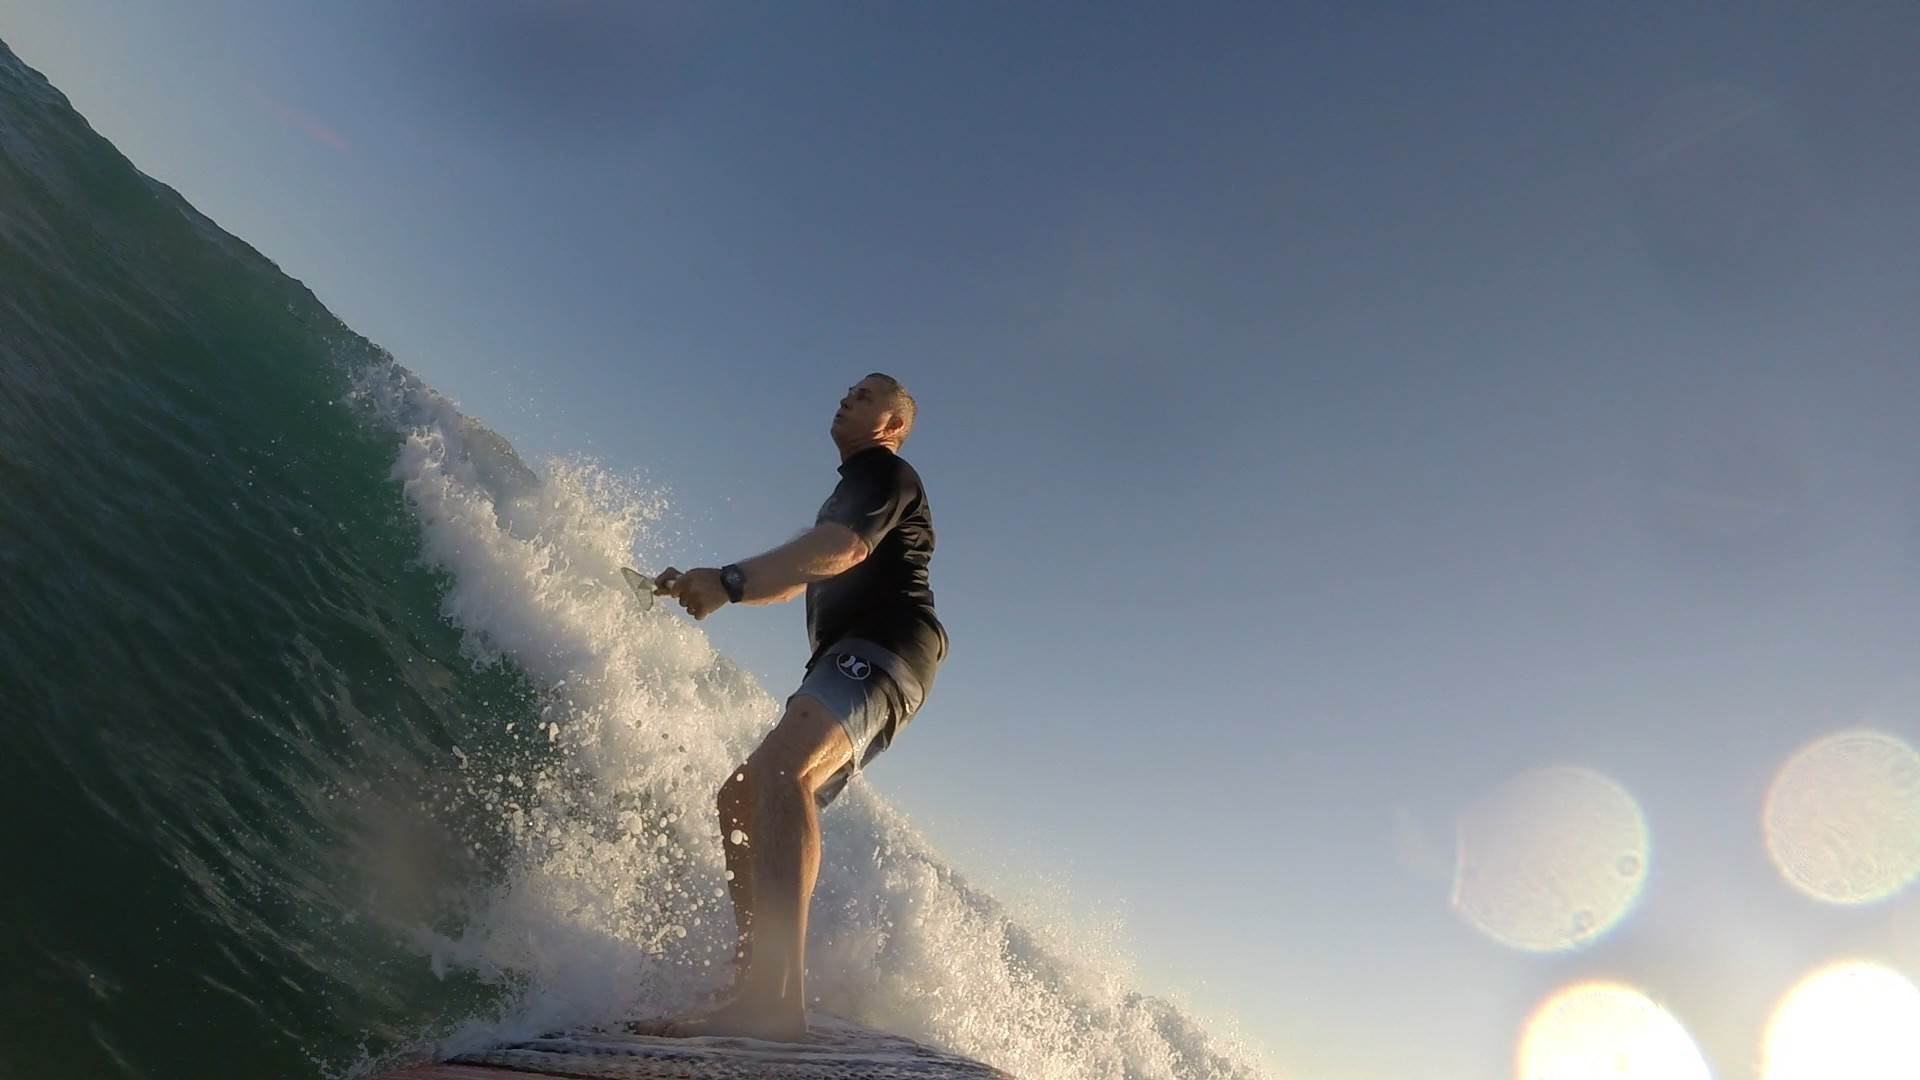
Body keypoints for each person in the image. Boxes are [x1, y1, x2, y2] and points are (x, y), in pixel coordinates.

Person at [647, 372, 948, 1040]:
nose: (849, 397)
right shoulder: (848, 492)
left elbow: (840, 551)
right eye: (849, 391)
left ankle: (775, 999)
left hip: (886, 647)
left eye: (868, 396)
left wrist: (729, 581)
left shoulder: (886, 476)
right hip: (855, 656)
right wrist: (709, 584)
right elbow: (796, 583)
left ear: (894, 426)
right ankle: (756, 977)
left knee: (782, 773)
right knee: (744, 796)